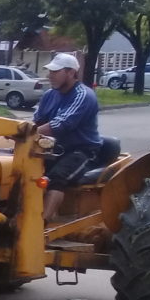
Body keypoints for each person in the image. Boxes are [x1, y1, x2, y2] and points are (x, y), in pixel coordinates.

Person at [33, 52, 101, 221]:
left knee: (57, 178)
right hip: (53, 148)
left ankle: (41, 225)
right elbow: (36, 122)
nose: (50, 76)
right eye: (50, 72)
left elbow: (61, 124)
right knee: (26, 172)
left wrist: (25, 132)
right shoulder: (50, 95)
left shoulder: (83, 95)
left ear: (71, 73)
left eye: (55, 72)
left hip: (81, 151)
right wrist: (16, 130)